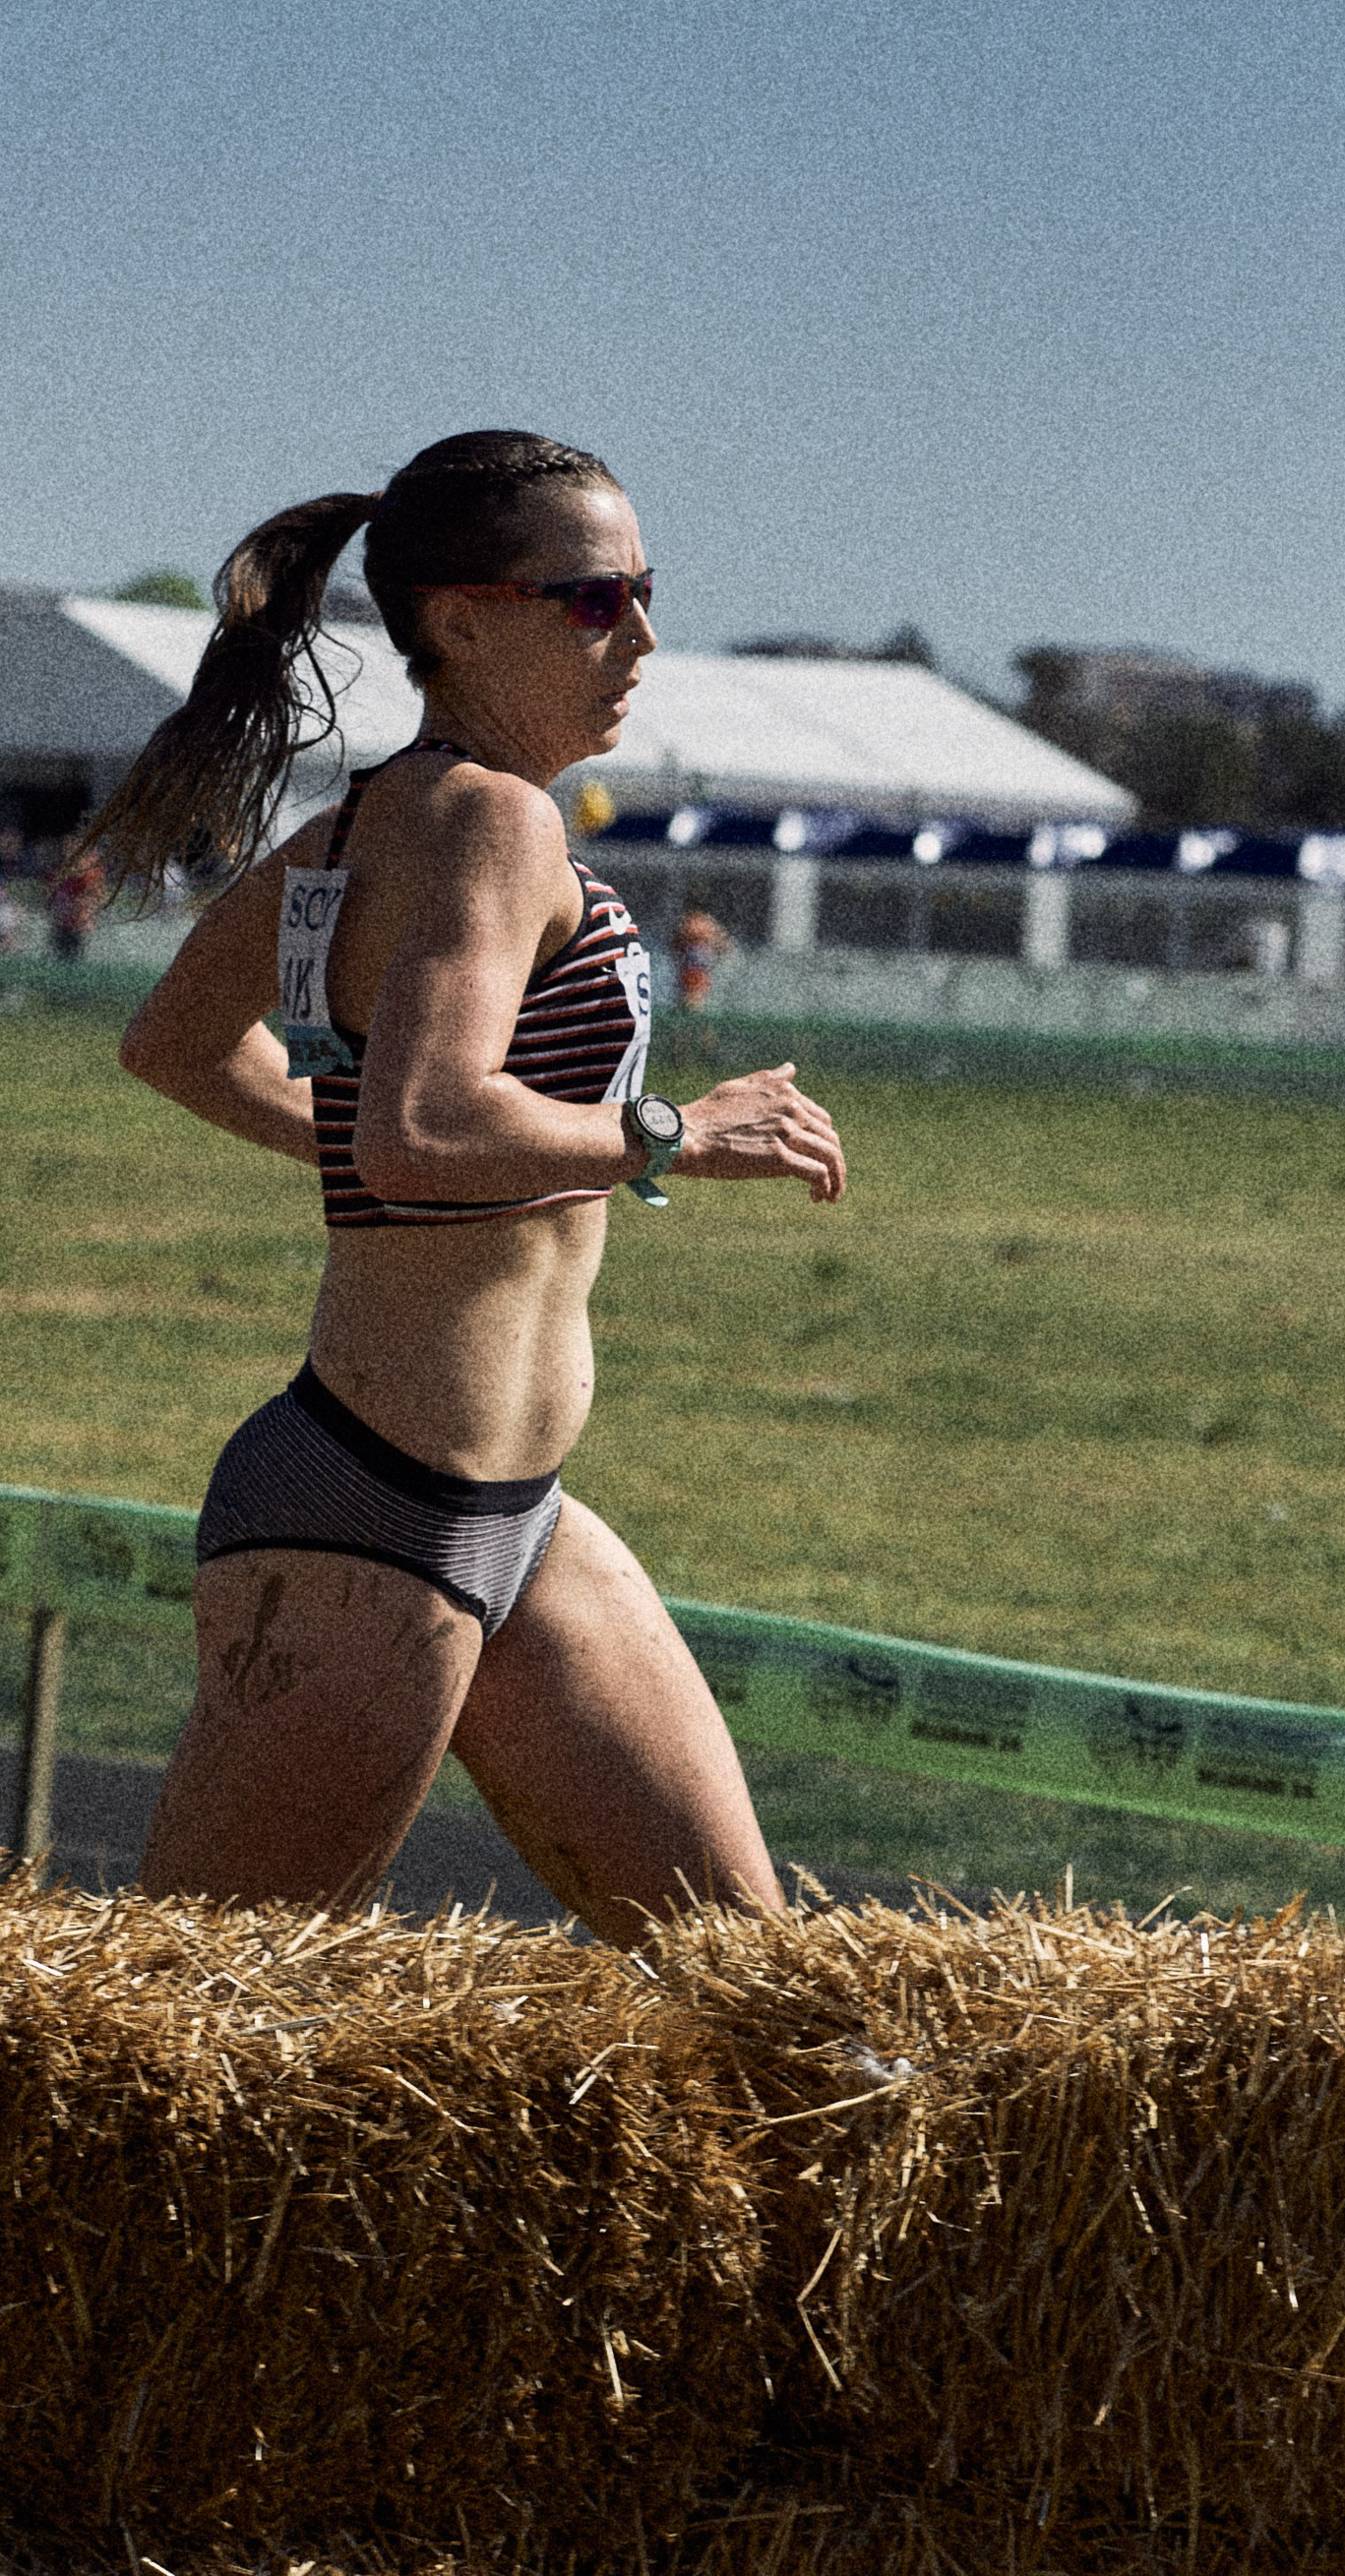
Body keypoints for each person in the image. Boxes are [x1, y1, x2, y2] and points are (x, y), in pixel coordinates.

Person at [102, 429, 848, 1947]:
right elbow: (423, 1129)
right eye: (593, 601)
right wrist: (671, 1134)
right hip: (365, 1515)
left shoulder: (359, 825)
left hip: (523, 1517)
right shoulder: (492, 821)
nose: (640, 638)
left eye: (645, 593)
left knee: (755, 1982)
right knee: (194, 2016)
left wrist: (367, 1142)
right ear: (458, 619)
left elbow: (180, 1045)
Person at [46, 844, 106, 960]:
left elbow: (95, 898)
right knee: (58, 956)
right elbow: (51, 897)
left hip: (78, 926)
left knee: (75, 956)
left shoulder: (91, 872)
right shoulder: (60, 872)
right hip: (62, 924)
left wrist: (86, 918)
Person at [673, 902, 733, 1011]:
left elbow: (674, 943)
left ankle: (692, 1011)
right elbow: (724, 944)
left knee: (693, 998)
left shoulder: (691, 922)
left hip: (696, 966)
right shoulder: (706, 923)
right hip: (696, 966)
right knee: (693, 998)